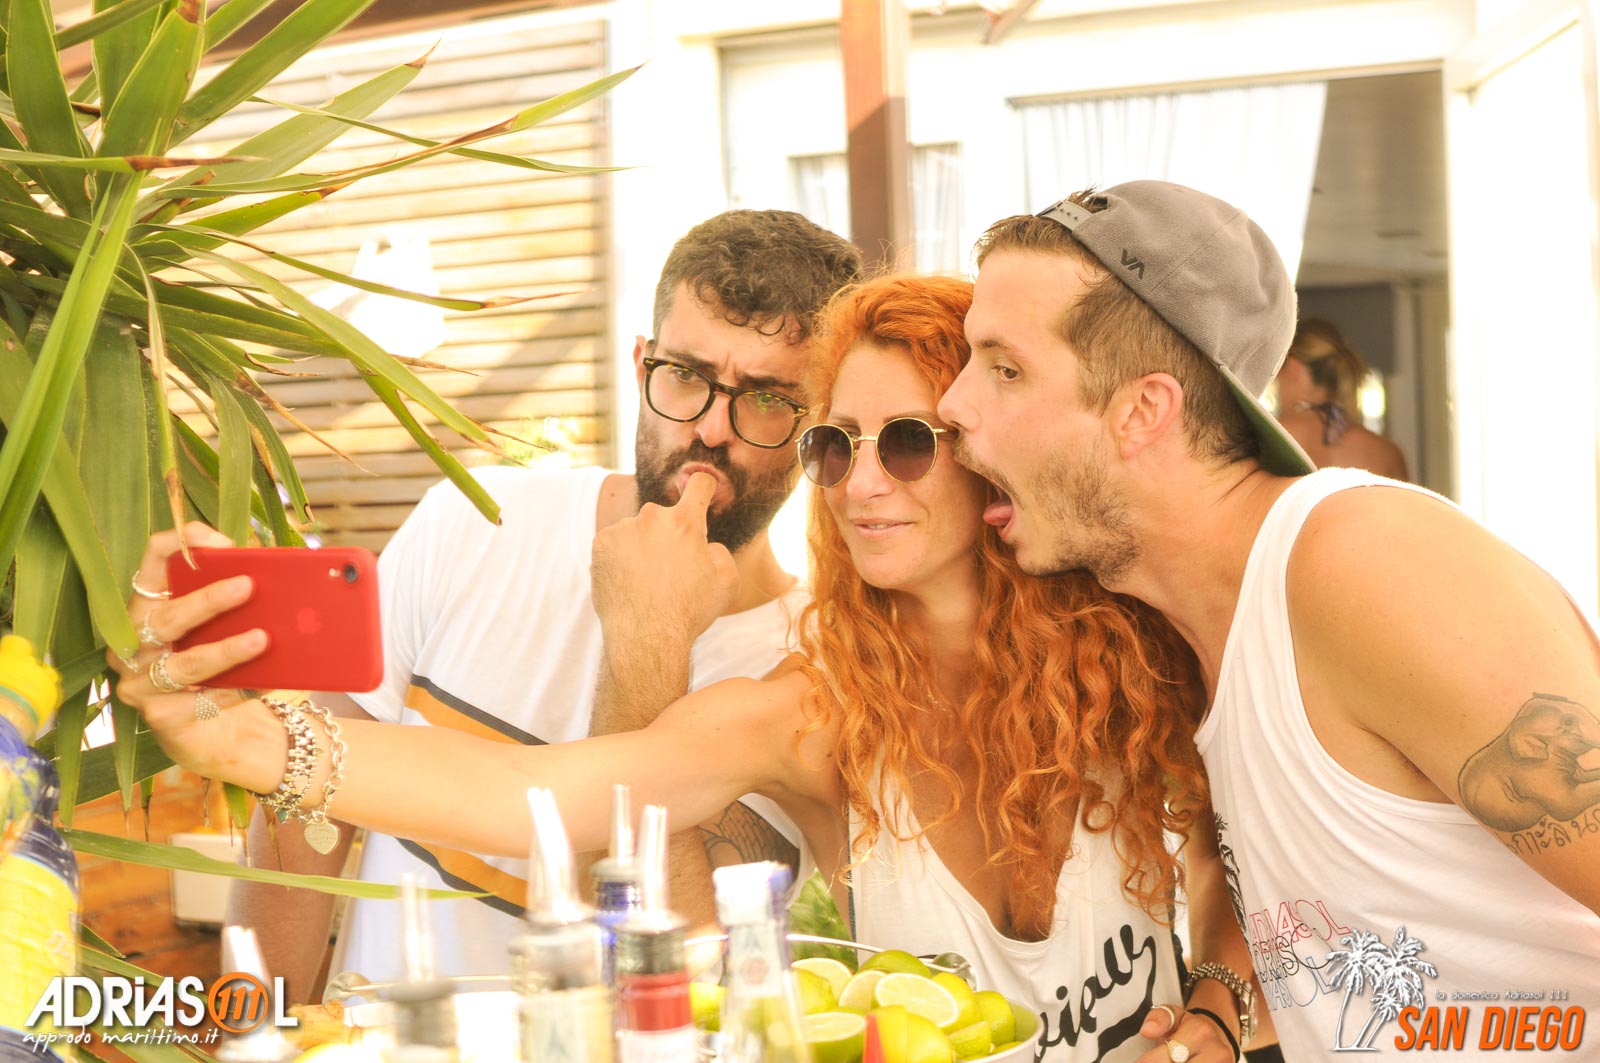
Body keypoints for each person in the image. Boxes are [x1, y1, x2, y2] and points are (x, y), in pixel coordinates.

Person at [117, 276, 1255, 1063]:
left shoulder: (1141, 656)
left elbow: (1238, 858)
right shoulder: (818, 708)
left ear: (985, 447)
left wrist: (1217, 996)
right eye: (834, 445)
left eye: (909, 442)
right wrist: (245, 739)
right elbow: (541, 795)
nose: (861, 483)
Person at [936, 181, 1600, 1059]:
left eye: (1005, 368)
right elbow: (1399, 966)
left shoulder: (1362, 564)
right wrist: (1224, 1010)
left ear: (1142, 411)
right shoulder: (1205, 630)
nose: (953, 405)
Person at [217, 209, 863, 996]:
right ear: (641, 365)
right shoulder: (476, 517)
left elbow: (671, 974)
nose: (709, 429)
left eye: (765, 398)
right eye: (686, 376)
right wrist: (255, 1029)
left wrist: (648, 640)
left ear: (817, 426)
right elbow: (300, 815)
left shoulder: (808, 672)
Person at [1273, 318, 1409, 480]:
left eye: (1276, 375)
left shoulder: (1273, 439)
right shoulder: (1388, 453)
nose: (1276, 387)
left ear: (1293, 368)